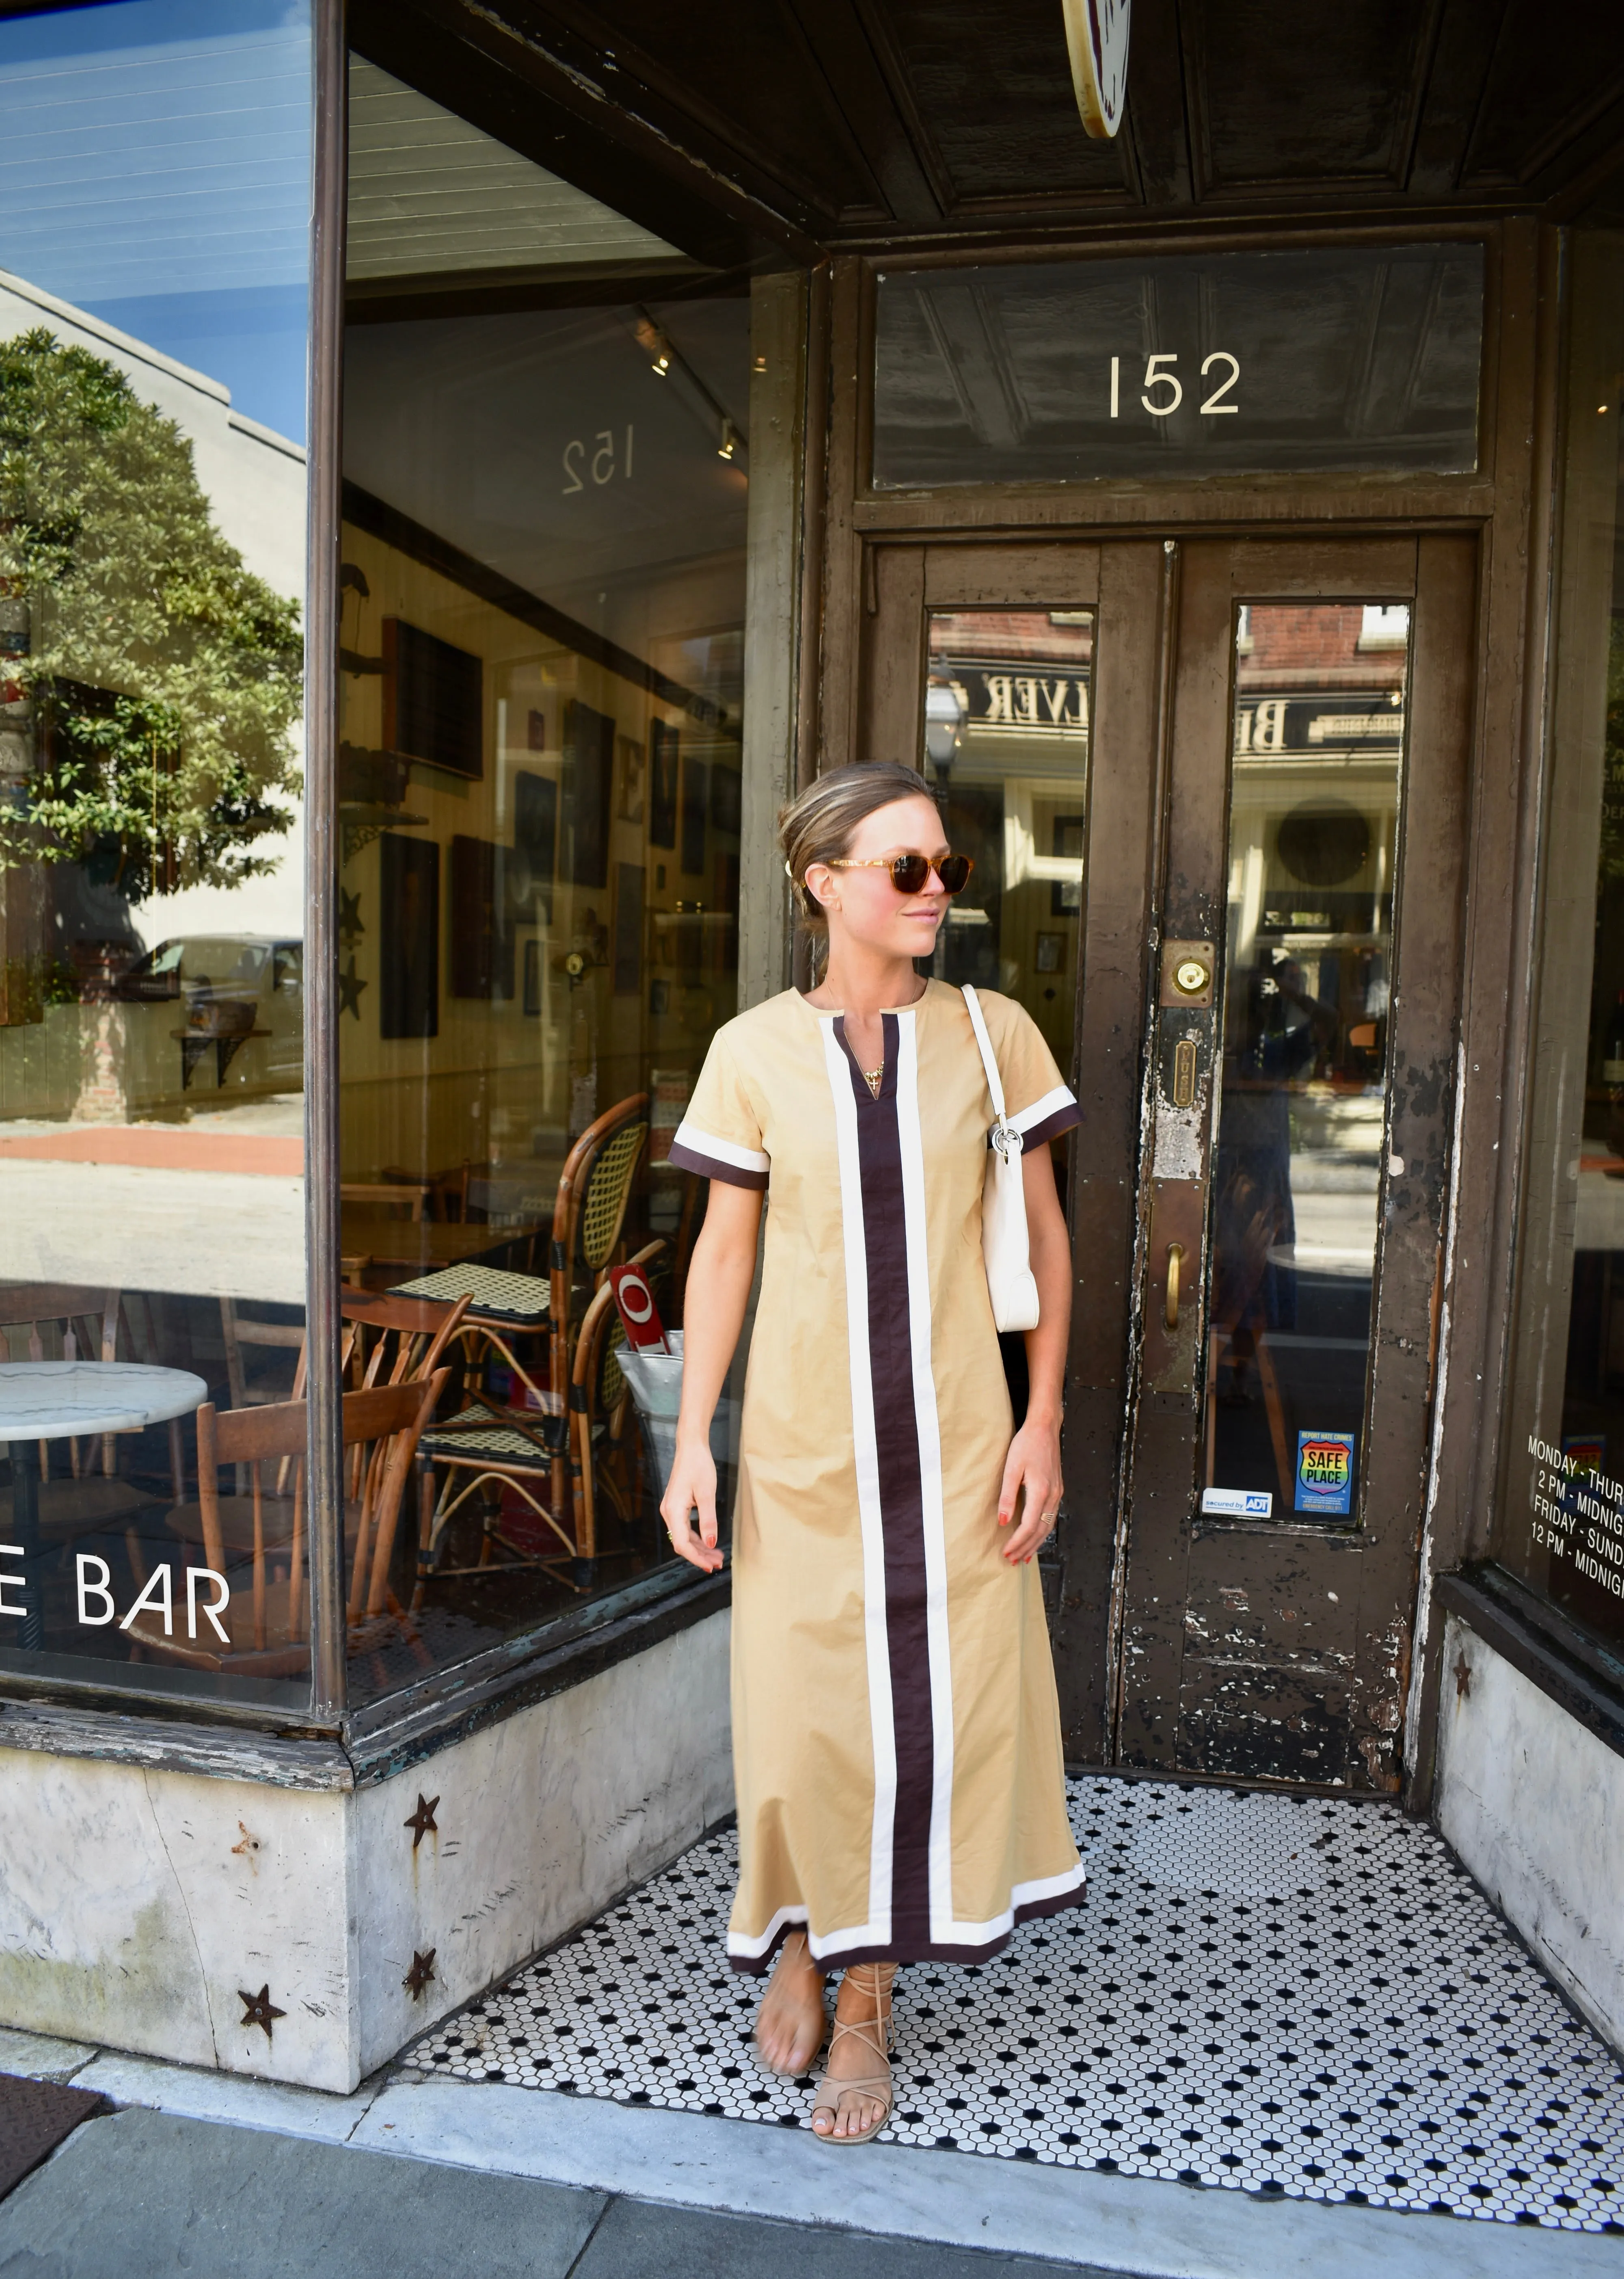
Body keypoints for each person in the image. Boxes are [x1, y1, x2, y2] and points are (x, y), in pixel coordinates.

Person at [662, 761, 1086, 2147]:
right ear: (823, 883)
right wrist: (693, 1444)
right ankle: (799, 1929)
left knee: (930, 1728)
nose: (935, 893)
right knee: (802, 1719)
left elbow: (1045, 1236)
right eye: (906, 869)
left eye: (947, 869)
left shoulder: (994, 1031)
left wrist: (1043, 1419)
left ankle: (865, 1999)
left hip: (962, 1449)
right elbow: (723, 1253)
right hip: (797, 1448)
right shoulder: (752, 1050)